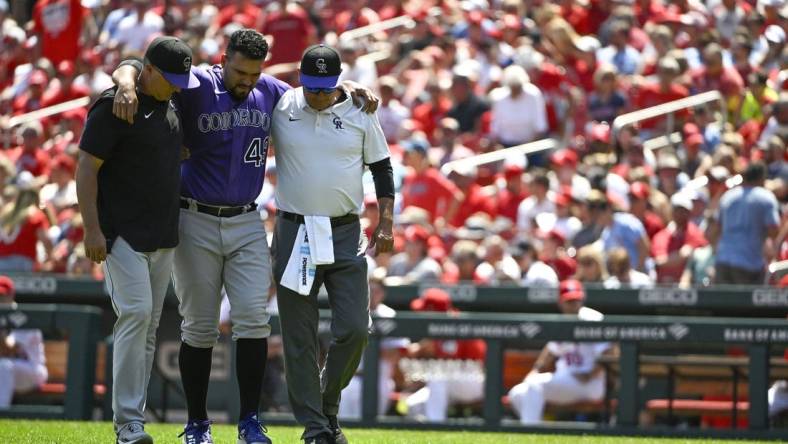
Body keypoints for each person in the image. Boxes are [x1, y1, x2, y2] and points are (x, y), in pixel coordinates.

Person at [111, 30, 378, 444]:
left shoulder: (271, 90)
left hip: (247, 219)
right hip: (194, 216)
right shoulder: (197, 82)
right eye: (240, 71)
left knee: (254, 319)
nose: (247, 80)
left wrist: (345, 86)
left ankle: (250, 421)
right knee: (199, 327)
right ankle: (198, 424)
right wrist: (126, 80)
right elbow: (142, 66)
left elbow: (313, 91)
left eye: (255, 72)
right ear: (223, 60)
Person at [77, 36, 199, 444]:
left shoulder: (168, 100)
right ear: (149, 71)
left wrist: (128, 72)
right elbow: (86, 169)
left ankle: (133, 421)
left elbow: (130, 61)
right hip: (121, 233)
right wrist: (92, 229)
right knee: (136, 313)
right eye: (172, 78)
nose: (179, 85)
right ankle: (128, 422)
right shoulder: (116, 105)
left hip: (162, 232)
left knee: (147, 327)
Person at [270, 44, 394, 444]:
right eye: (312, 88)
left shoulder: (361, 109)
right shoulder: (283, 103)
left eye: (326, 88)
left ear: (339, 83)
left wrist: (386, 220)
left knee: (356, 327)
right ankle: (316, 429)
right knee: (299, 337)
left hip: (344, 231)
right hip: (294, 231)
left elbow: (381, 166)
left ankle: (326, 404)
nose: (318, 96)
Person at [508, 279, 615, 425]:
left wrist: (590, 374)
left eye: (576, 300)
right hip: (565, 379)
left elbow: (610, 353)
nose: (573, 305)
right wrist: (535, 370)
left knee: (534, 385)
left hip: (590, 383)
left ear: (582, 300)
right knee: (517, 393)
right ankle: (538, 432)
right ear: (560, 302)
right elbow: (550, 350)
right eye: (569, 301)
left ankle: (530, 434)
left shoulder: (593, 319)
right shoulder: (562, 321)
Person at [402, 288, 486, 423]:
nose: (421, 314)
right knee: (413, 405)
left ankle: (435, 426)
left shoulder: (459, 325)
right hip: (448, 384)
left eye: (425, 310)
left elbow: (473, 364)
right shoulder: (435, 330)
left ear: (432, 311)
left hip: (476, 381)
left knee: (438, 376)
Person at [711, 162, 780, 284]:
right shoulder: (766, 197)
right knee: (745, 302)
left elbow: (714, 231)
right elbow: (773, 231)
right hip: (749, 264)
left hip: (723, 261)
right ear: (761, 178)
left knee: (722, 302)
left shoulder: (728, 196)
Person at [0, 276, 48, 409]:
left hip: (33, 370)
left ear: (11, 295)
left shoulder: (22, 316)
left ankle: (2, 413)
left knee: (3, 366)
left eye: (2, 296)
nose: (0, 300)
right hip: (12, 370)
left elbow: (8, 348)